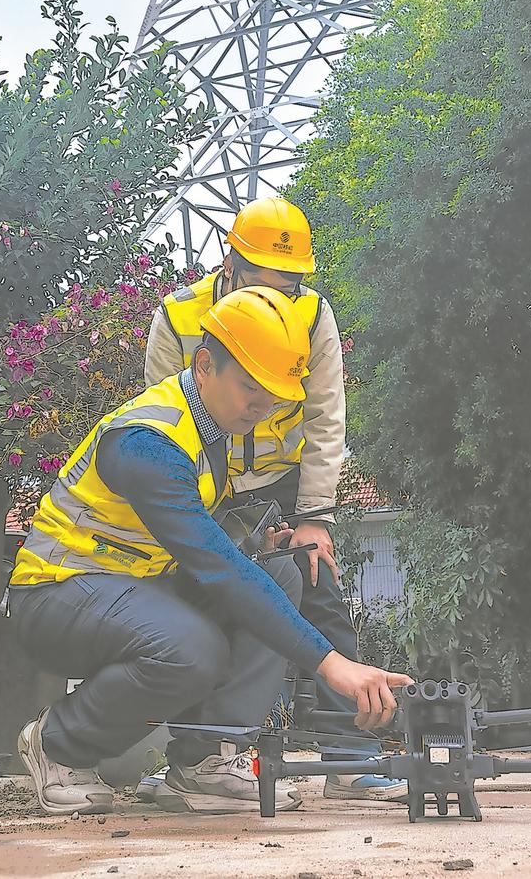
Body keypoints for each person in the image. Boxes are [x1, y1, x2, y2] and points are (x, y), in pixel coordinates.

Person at [10, 286, 412, 816]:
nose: (260, 407)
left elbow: (197, 550)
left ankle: (203, 762)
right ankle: (57, 745)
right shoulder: (149, 442)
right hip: (57, 594)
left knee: (283, 574)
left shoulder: (212, 433)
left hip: (128, 591)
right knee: (193, 648)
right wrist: (332, 664)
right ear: (204, 364)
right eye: (249, 387)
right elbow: (217, 571)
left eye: (273, 398)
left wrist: (254, 547)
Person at [144, 196, 406, 801]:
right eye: (260, 282)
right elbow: (160, 419)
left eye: (286, 286)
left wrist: (313, 517)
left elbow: (325, 421)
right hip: (205, 482)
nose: (274, 299)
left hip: (281, 485)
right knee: (212, 599)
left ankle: (351, 755)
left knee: (316, 583)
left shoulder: (314, 320)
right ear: (229, 265)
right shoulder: (180, 319)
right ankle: (199, 755)